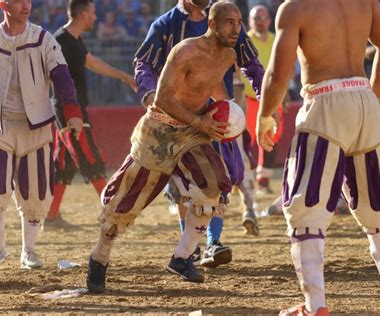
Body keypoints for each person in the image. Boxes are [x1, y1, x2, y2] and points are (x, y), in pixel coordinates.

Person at [87, 2, 243, 292]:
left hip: (193, 131)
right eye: (229, 23)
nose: (236, 29)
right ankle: (99, 258)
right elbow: (162, 100)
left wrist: (228, 116)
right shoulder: (185, 51)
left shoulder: (229, 55)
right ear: (212, 24)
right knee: (124, 204)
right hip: (159, 128)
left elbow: (215, 91)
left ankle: (182, 258)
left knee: (213, 188)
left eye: (238, 22)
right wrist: (200, 122)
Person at [256, 0, 380, 314]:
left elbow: (278, 73)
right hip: (363, 100)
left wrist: (265, 116)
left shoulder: (296, 7)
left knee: (306, 205)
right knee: (379, 207)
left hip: (324, 100)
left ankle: (315, 306)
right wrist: (373, 93)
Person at [133, 0, 265, 268]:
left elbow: (251, 64)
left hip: (215, 117)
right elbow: (143, 63)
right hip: (173, 118)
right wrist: (148, 93)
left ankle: (213, 242)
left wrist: (267, 97)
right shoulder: (164, 25)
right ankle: (190, 248)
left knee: (218, 179)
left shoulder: (226, 19)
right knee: (182, 187)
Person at [0, 0, 83, 270]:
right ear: (3, 4)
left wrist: (73, 111)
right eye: (18, 1)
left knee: (35, 189)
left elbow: (62, 77)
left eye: (28, 0)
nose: (25, 6)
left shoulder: (43, 39)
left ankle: (29, 250)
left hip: (37, 125)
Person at [43, 0, 136, 230]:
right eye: (93, 13)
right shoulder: (61, 41)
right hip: (68, 109)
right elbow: (48, 76)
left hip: (70, 108)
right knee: (89, 157)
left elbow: (92, 63)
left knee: (64, 165)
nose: (95, 18)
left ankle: (51, 216)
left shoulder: (72, 40)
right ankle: (112, 211)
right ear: (83, 14)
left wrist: (124, 77)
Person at [242, 5, 286, 196]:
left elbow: (286, 67)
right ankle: (242, 180)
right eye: (256, 18)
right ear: (250, 21)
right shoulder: (244, 40)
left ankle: (263, 181)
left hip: (274, 98)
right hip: (248, 98)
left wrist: (286, 93)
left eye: (263, 17)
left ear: (269, 20)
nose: (260, 21)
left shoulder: (278, 39)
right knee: (244, 140)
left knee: (271, 137)